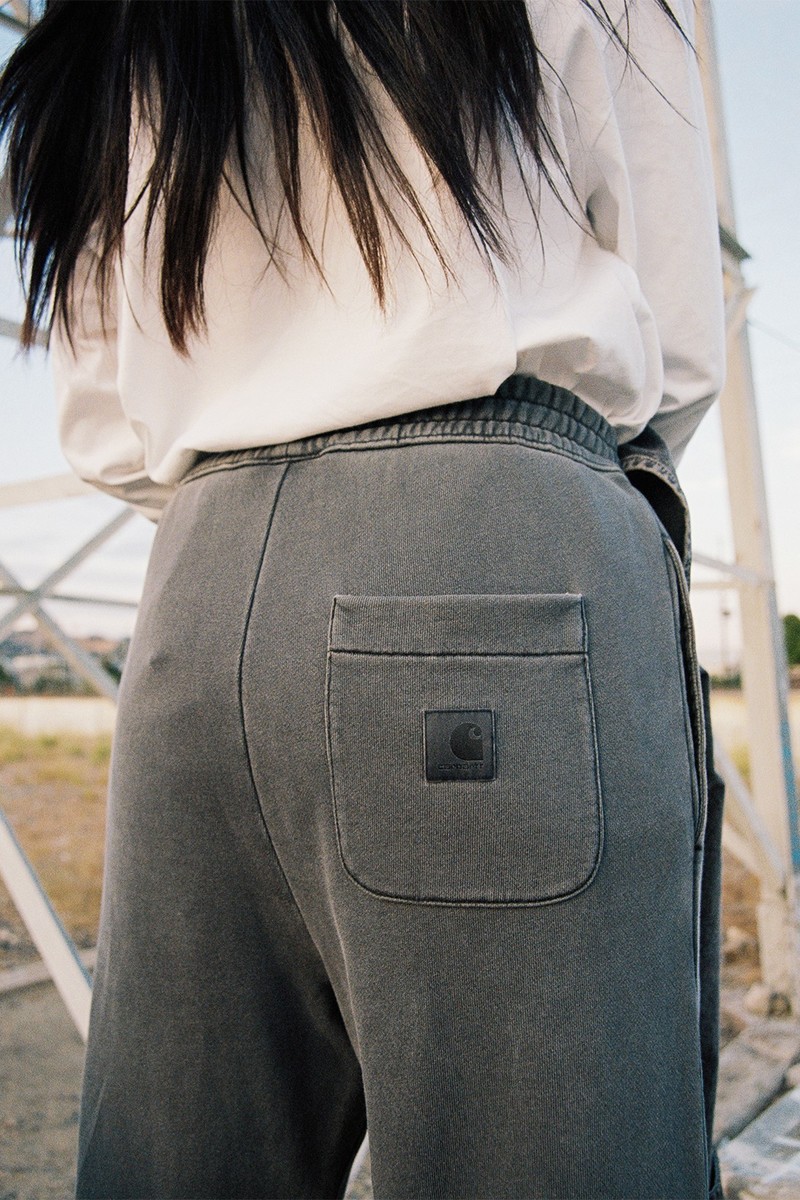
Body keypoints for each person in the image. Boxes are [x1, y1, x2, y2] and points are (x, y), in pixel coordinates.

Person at [0, 1, 727, 1197]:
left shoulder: (103, 28)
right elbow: (681, 342)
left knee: (177, 1161)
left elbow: (99, 414)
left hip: (203, 585)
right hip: (498, 553)